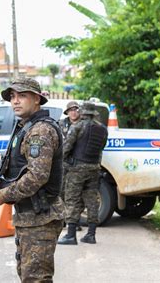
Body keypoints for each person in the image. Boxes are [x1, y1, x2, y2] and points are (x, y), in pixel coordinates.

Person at [0, 78, 65, 282]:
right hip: (31, 216)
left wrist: (3, 195)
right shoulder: (27, 127)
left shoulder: (40, 130)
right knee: (28, 274)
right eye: (12, 97)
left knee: (36, 278)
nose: (15, 101)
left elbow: (37, 176)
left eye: (22, 95)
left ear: (37, 99)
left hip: (41, 216)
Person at [58, 102, 108, 245]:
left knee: (72, 199)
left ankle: (71, 235)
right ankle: (91, 235)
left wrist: (62, 162)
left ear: (82, 112)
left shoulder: (78, 126)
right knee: (92, 200)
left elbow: (66, 147)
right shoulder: (102, 129)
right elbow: (101, 148)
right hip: (94, 168)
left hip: (77, 169)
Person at [59, 101, 84, 231]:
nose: (73, 112)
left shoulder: (83, 124)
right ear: (67, 112)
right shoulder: (62, 124)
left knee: (76, 194)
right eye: (71, 110)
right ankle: (62, 220)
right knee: (61, 192)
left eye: (75, 109)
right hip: (64, 162)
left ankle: (75, 221)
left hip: (79, 163)